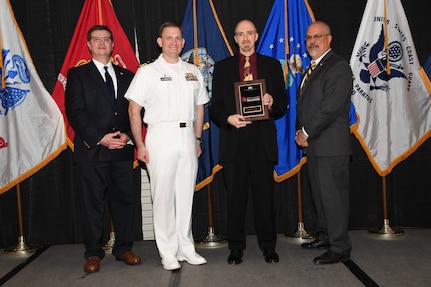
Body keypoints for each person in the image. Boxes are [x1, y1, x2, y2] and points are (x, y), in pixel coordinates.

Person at [125, 22, 209, 271]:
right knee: (162, 198)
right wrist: (139, 144)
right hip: (159, 136)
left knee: (185, 196)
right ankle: (168, 252)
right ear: (160, 42)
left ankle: (186, 247)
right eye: (168, 38)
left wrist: (197, 139)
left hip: (187, 137)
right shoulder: (147, 72)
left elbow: (200, 106)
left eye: (178, 38)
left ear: (183, 43)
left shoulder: (193, 70)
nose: (174, 42)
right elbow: (134, 109)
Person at [210, 19, 287, 265]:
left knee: (265, 199)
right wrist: (228, 118)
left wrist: (271, 103)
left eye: (249, 33)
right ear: (235, 39)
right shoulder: (222, 68)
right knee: (235, 199)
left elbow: (283, 104)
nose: (245, 38)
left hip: (262, 142)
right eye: (240, 34)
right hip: (234, 142)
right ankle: (236, 247)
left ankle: (268, 247)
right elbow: (215, 107)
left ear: (256, 36)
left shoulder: (272, 66)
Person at [65, 25, 141, 273]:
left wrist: (128, 136)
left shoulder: (128, 75)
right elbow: (75, 112)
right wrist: (101, 138)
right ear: (88, 45)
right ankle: (93, 252)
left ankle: (124, 248)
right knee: (92, 204)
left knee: (124, 201)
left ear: (112, 44)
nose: (101, 43)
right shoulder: (77, 75)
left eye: (106, 39)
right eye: (96, 39)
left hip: (122, 149)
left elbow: (139, 111)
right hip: (92, 150)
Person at [295, 21, 352, 264]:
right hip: (317, 146)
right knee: (320, 196)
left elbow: (330, 108)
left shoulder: (338, 67)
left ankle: (339, 247)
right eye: (308, 37)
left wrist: (305, 132)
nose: (311, 41)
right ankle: (326, 236)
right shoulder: (314, 67)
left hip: (330, 145)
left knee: (333, 198)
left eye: (317, 36)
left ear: (329, 39)